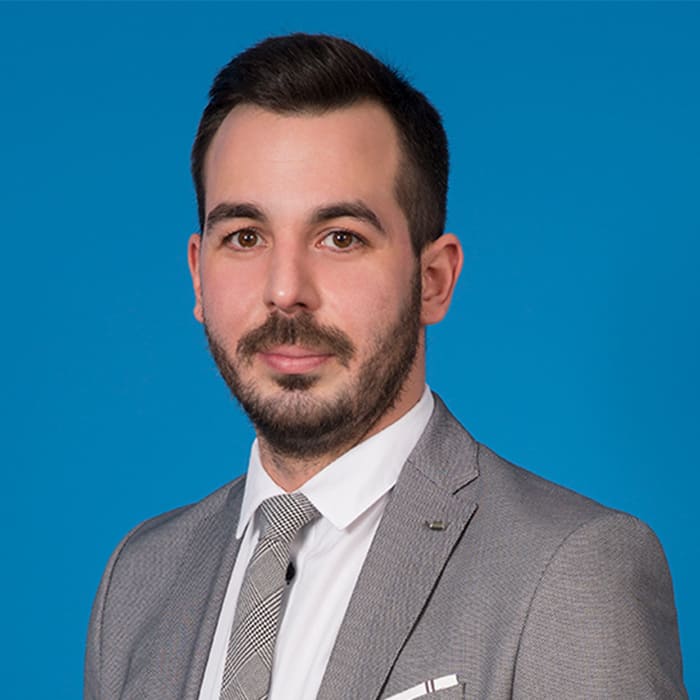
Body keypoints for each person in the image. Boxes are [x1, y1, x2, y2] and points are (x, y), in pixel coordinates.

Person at [84, 33, 686, 700]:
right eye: (245, 237)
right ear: (198, 275)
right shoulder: (138, 581)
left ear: (432, 280)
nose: (286, 289)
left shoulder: (573, 569)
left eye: (341, 237)